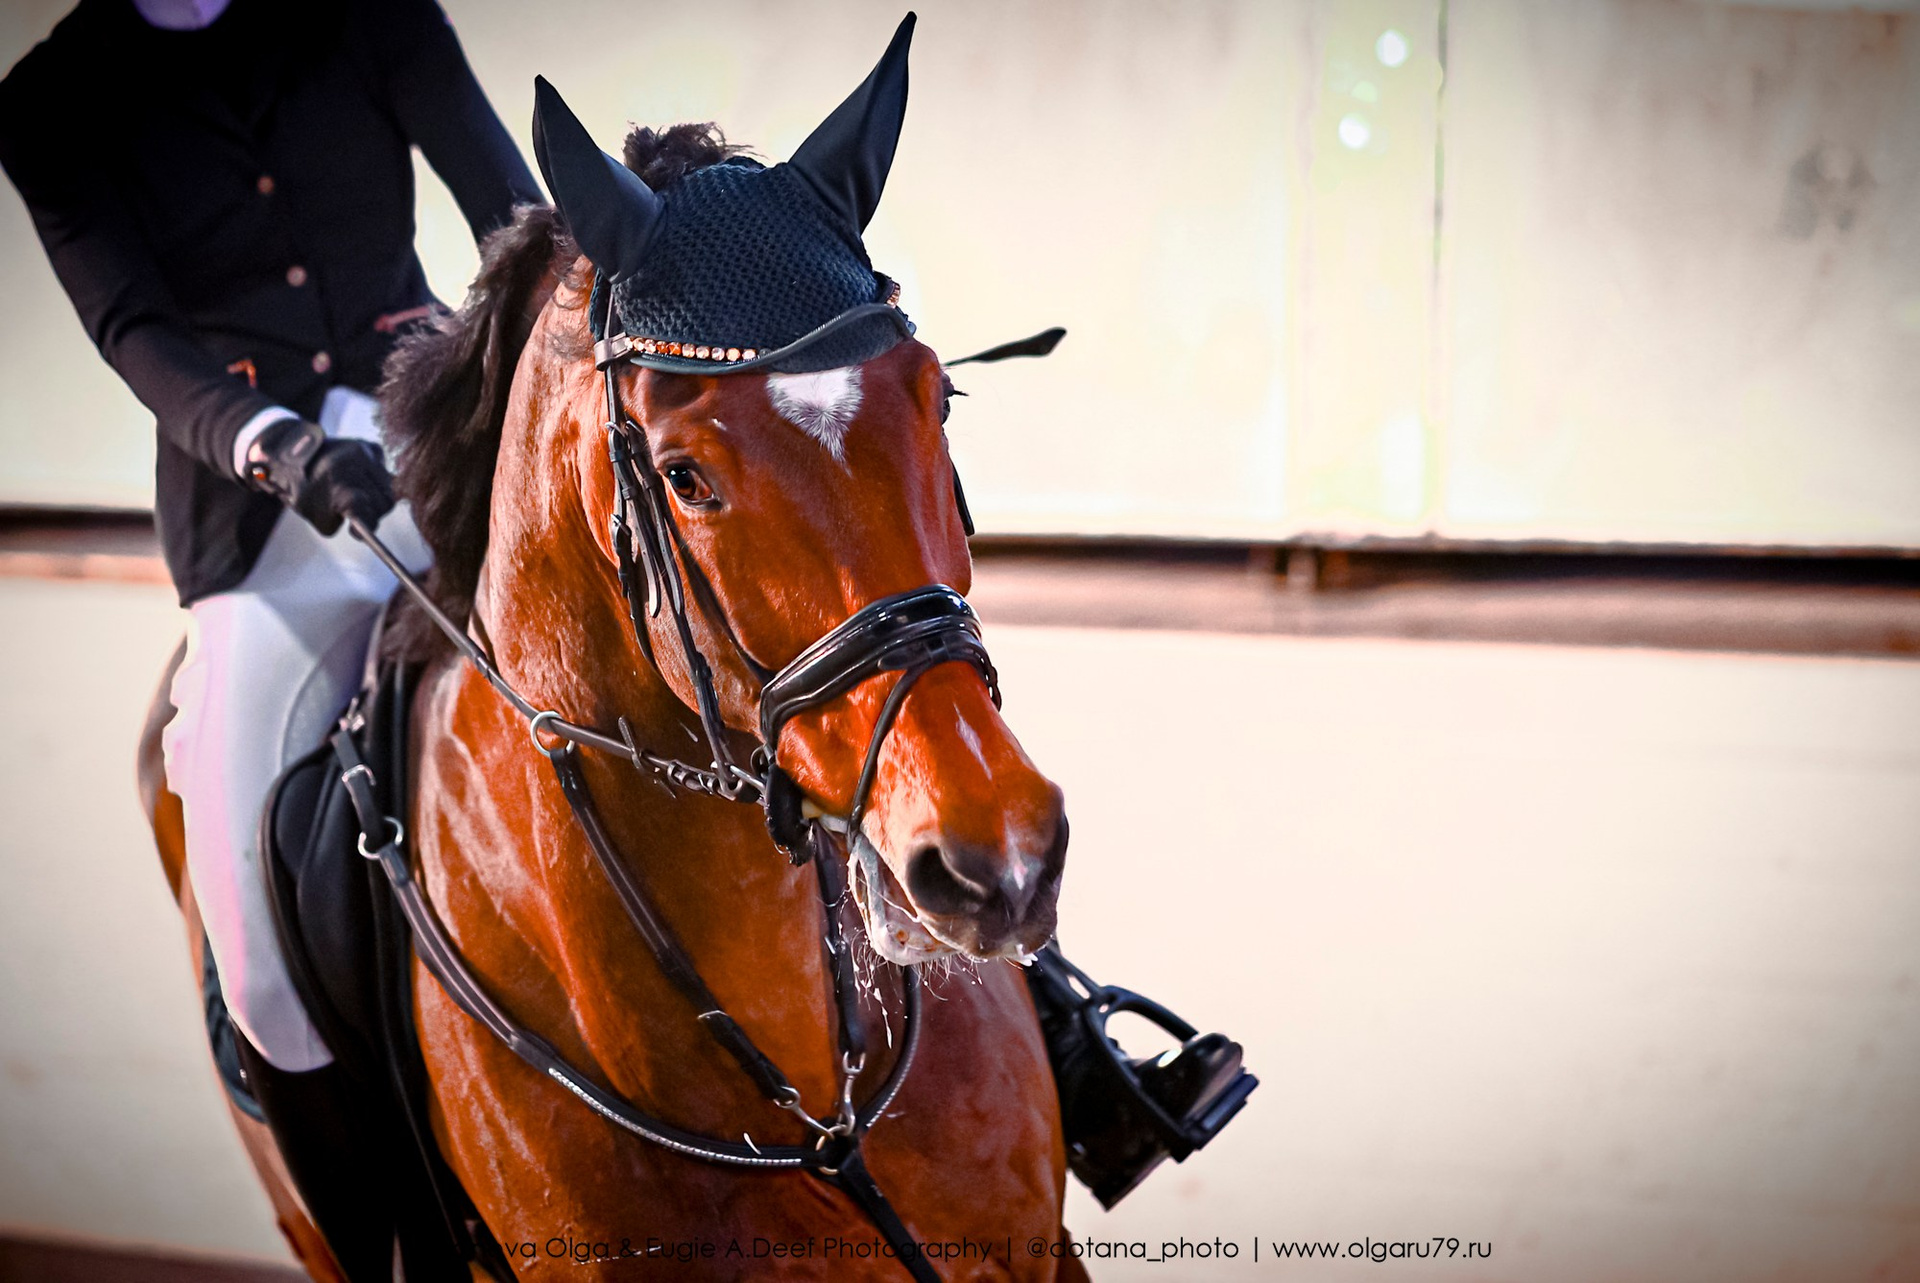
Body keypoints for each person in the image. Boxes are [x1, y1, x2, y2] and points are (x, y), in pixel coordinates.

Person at [0, 0, 543, 1075]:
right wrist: (270, 443)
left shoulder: (371, 15)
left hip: (432, 438)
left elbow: (514, 217)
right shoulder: (49, 104)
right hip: (255, 516)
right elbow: (133, 328)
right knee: (260, 978)